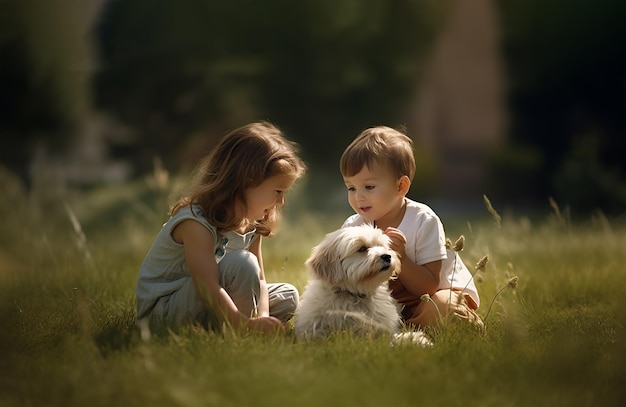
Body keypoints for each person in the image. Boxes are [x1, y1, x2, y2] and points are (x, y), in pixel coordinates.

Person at [136, 121, 306, 335]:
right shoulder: (196, 222)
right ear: (246, 182)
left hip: (209, 299)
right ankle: (238, 328)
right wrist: (243, 323)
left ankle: (236, 324)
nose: (281, 202)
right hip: (166, 310)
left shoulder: (252, 223)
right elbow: (207, 286)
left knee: (288, 295)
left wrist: (262, 316)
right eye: (278, 191)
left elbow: (260, 280)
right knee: (243, 264)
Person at [340, 126, 483, 329]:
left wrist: (402, 259)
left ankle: (415, 326)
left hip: (428, 299)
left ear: (401, 187)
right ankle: (396, 326)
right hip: (383, 304)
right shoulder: (354, 226)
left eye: (369, 187)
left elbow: (429, 286)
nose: (358, 196)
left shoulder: (423, 220)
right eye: (351, 188)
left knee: (443, 307)